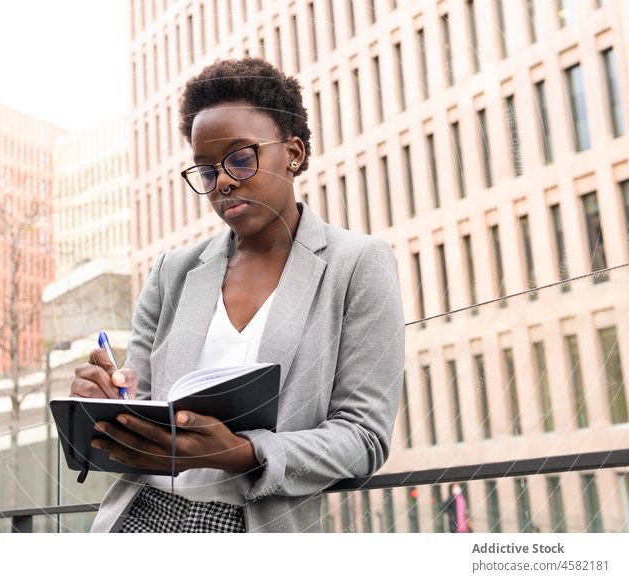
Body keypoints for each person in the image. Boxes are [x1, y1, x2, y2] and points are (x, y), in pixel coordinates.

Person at [69, 57, 405, 532]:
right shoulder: (172, 272)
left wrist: (241, 454)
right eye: (206, 171)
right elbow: (138, 407)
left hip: (251, 527)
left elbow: (364, 437)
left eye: (240, 159)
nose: (222, 181)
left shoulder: (357, 265)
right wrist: (103, 403)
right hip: (140, 518)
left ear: (293, 152)